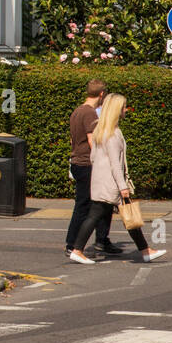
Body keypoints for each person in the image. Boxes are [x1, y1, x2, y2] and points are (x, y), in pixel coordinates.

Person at [68, 93, 165, 265]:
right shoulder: (113, 134)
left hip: (101, 181)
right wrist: (123, 186)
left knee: (105, 215)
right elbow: (115, 164)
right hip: (111, 183)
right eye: (124, 107)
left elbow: (93, 158)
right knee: (124, 216)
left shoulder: (100, 131)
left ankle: (145, 250)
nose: (126, 110)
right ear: (116, 110)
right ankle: (77, 250)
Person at [64, 79, 122, 258]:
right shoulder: (89, 114)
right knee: (86, 205)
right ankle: (73, 244)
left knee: (101, 204)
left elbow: (75, 140)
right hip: (87, 164)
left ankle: (101, 241)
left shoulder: (77, 111)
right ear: (102, 94)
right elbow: (92, 141)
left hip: (77, 162)